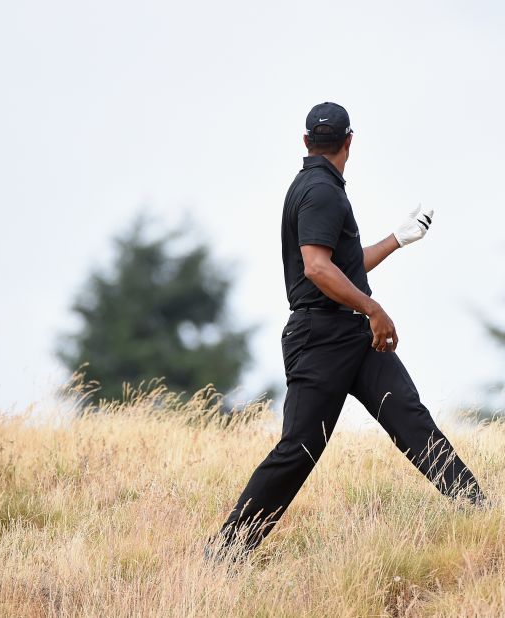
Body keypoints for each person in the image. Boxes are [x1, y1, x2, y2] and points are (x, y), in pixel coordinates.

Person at [205, 101, 486, 564]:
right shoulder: (321, 192)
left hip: (350, 334)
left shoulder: (313, 187)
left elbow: (341, 269)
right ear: (350, 143)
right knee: (299, 450)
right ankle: (225, 553)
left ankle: (480, 511)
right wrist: (373, 308)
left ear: (305, 142)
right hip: (321, 339)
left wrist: (397, 239)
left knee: (412, 421)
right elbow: (317, 268)